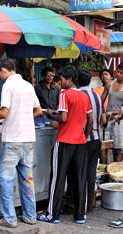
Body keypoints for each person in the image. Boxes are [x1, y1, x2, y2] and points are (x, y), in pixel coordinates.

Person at [0, 58, 42, 228]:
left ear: (3, 70)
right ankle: (30, 216)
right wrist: (24, 117)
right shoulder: (28, 85)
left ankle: (10, 219)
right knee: (27, 179)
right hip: (28, 138)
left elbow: (5, 112)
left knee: (6, 180)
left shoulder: (8, 85)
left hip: (13, 139)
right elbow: (38, 110)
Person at [38, 66, 93, 224]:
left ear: (69, 79)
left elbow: (62, 117)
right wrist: (84, 135)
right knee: (79, 179)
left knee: (58, 178)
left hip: (64, 141)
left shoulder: (64, 94)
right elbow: (90, 120)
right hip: (80, 142)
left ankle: (52, 215)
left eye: (61, 79)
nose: (59, 83)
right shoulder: (84, 96)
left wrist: (48, 112)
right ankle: (80, 215)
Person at [78, 70, 105, 212]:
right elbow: (102, 119)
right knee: (90, 172)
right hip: (96, 138)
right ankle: (89, 205)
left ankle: (80, 205)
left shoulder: (79, 95)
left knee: (80, 172)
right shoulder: (97, 96)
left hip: (83, 139)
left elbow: (85, 119)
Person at [102, 64, 123, 162]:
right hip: (108, 121)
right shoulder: (110, 84)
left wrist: (115, 114)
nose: (118, 74)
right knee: (106, 147)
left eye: (121, 73)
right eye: (117, 71)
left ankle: (116, 175)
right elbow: (100, 100)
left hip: (119, 123)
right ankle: (106, 176)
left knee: (117, 149)